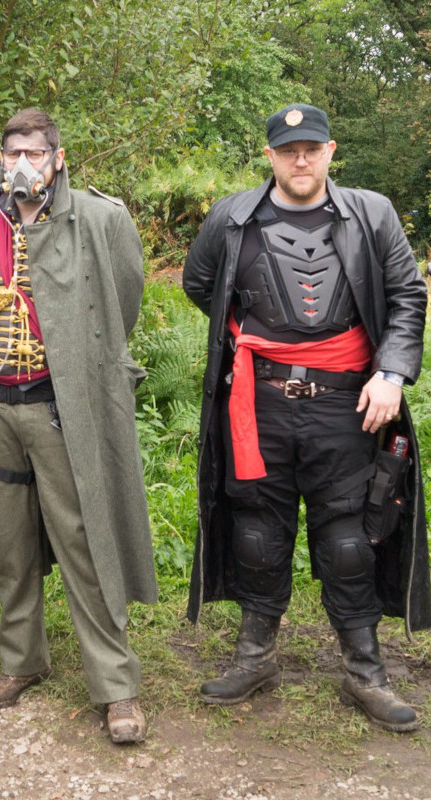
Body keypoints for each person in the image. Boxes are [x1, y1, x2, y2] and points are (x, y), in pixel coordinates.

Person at [183, 104, 430, 732]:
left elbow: (407, 295)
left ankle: (364, 670)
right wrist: (255, 341)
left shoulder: (372, 213)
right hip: (258, 401)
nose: (301, 160)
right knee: (257, 528)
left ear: (330, 151)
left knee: (349, 537)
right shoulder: (233, 217)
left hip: (349, 403)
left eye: (311, 149)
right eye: (288, 150)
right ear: (269, 155)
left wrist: (391, 373)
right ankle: (255, 657)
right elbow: (200, 283)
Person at [0, 108, 157, 743]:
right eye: (12, 154)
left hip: (61, 410)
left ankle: (115, 687)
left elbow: (122, 301)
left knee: (85, 544)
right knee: (12, 547)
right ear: (1, 159)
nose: (23, 165)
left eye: (35, 153)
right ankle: (21, 662)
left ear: (58, 159)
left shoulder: (97, 218)